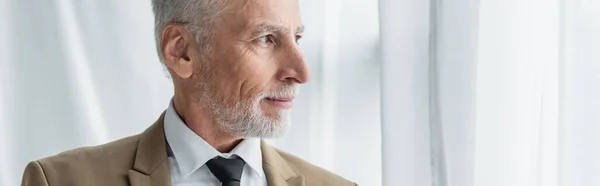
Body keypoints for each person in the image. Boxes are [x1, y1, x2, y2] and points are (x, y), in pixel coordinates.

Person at [20, 0, 356, 185]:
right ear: (181, 51)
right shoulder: (61, 182)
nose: (301, 72)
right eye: (266, 39)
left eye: (296, 38)